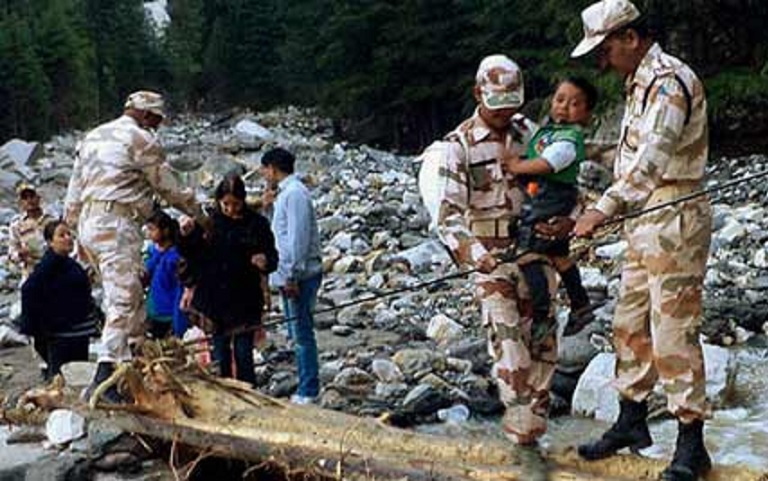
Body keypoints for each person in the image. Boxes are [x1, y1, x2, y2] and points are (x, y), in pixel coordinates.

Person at [570, 1, 712, 480]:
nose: (601, 62)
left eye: (605, 50)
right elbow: (631, 154)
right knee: (629, 319)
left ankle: (692, 443)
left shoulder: (668, 82)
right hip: (645, 218)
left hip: (675, 215)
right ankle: (631, 420)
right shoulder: (639, 84)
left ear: (630, 38)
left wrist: (601, 209)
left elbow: (652, 161)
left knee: (673, 328)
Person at [428, 54, 558, 448]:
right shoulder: (458, 145)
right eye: (497, 107)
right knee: (509, 349)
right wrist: (473, 254)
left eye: (511, 106)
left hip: (535, 253)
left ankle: (534, 433)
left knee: (544, 342)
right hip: (490, 260)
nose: (505, 115)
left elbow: (554, 182)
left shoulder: (528, 132)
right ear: (477, 94)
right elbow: (447, 217)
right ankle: (522, 437)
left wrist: (567, 218)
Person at [64, 90, 206, 403]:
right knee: (123, 301)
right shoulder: (140, 139)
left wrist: (75, 232)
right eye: (155, 120)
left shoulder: (92, 137)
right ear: (144, 114)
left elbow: (74, 191)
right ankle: (106, 378)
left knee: (127, 301)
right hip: (117, 223)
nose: (156, 127)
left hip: (90, 222)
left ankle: (137, 368)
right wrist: (200, 215)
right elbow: (169, 187)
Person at [503, 77, 597, 336]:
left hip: (551, 197)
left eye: (575, 103)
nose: (564, 107)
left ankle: (542, 314)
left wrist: (515, 166)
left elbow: (548, 164)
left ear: (586, 113)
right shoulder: (548, 131)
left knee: (526, 252)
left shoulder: (569, 138)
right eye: (560, 100)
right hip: (549, 194)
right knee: (559, 255)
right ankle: (580, 304)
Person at [178, 173, 278, 386]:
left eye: (236, 204)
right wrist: (186, 235)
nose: (231, 209)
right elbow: (191, 255)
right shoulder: (209, 223)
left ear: (243, 201)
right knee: (219, 355)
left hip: (245, 299)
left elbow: (272, 256)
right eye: (226, 204)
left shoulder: (256, 224)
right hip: (214, 299)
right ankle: (224, 395)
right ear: (219, 201)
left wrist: (265, 261)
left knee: (243, 354)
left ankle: (249, 394)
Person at [260, 148, 323, 405]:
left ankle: (310, 389)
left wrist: (292, 276)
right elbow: (278, 232)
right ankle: (305, 383)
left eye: (265, 170)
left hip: (300, 275)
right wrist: (267, 208)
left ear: (273, 168)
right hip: (289, 273)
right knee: (296, 332)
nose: (264, 175)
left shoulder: (295, 194)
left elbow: (298, 239)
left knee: (302, 333)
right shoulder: (284, 194)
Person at [20, 220, 98, 380]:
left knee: (77, 378)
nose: (68, 238)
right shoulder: (48, 267)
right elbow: (29, 292)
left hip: (78, 334)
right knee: (61, 381)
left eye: (69, 234)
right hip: (62, 337)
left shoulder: (70, 265)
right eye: (61, 235)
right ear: (50, 242)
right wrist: (39, 330)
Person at [143, 210, 187, 339]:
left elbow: (179, 289)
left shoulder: (175, 257)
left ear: (165, 231)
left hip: (168, 315)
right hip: (153, 312)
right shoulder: (153, 252)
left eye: (152, 229)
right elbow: (146, 272)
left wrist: (178, 322)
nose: (149, 233)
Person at [8, 183, 54, 282]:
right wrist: (20, 254)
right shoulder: (17, 225)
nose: (29, 200)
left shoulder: (52, 219)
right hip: (31, 273)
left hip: (54, 271)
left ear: (38, 198)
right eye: (25, 198)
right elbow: (11, 253)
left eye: (32, 196)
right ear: (20, 202)